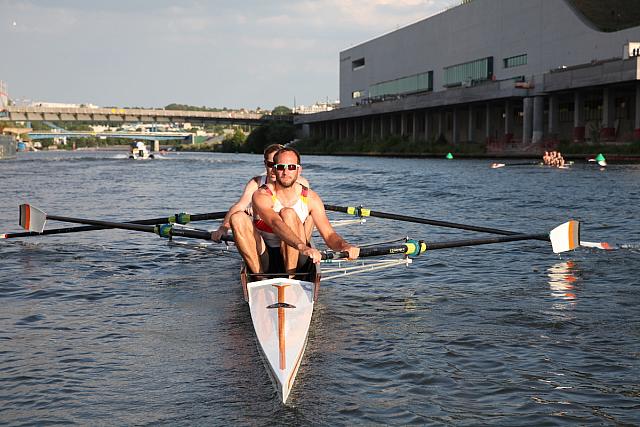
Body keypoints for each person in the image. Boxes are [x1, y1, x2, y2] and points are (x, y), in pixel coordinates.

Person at [230, 147, 359, 277]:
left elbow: (329, 235)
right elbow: (275, 222)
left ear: (299, 170)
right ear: (274, 170)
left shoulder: (311, 198)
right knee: (237, 218)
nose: (286, 172)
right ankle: (259, 276)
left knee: (288, 213)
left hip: (298, 258)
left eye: (291, 167)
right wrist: (302, 246)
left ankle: (291, 277)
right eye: (281, 167)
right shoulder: (261, 194)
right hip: (266, 255)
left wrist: (345, 246)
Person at [211, 144, 312, 242]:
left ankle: (305, 251)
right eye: (270, 164)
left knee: (310, 217)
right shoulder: (256, 183)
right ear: (265, 164)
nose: (274, 170)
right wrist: (223, 228)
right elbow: (239, 206)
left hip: (294, 238)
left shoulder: (301, 183)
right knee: (239, 217)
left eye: (279, 165)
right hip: (266, 239)